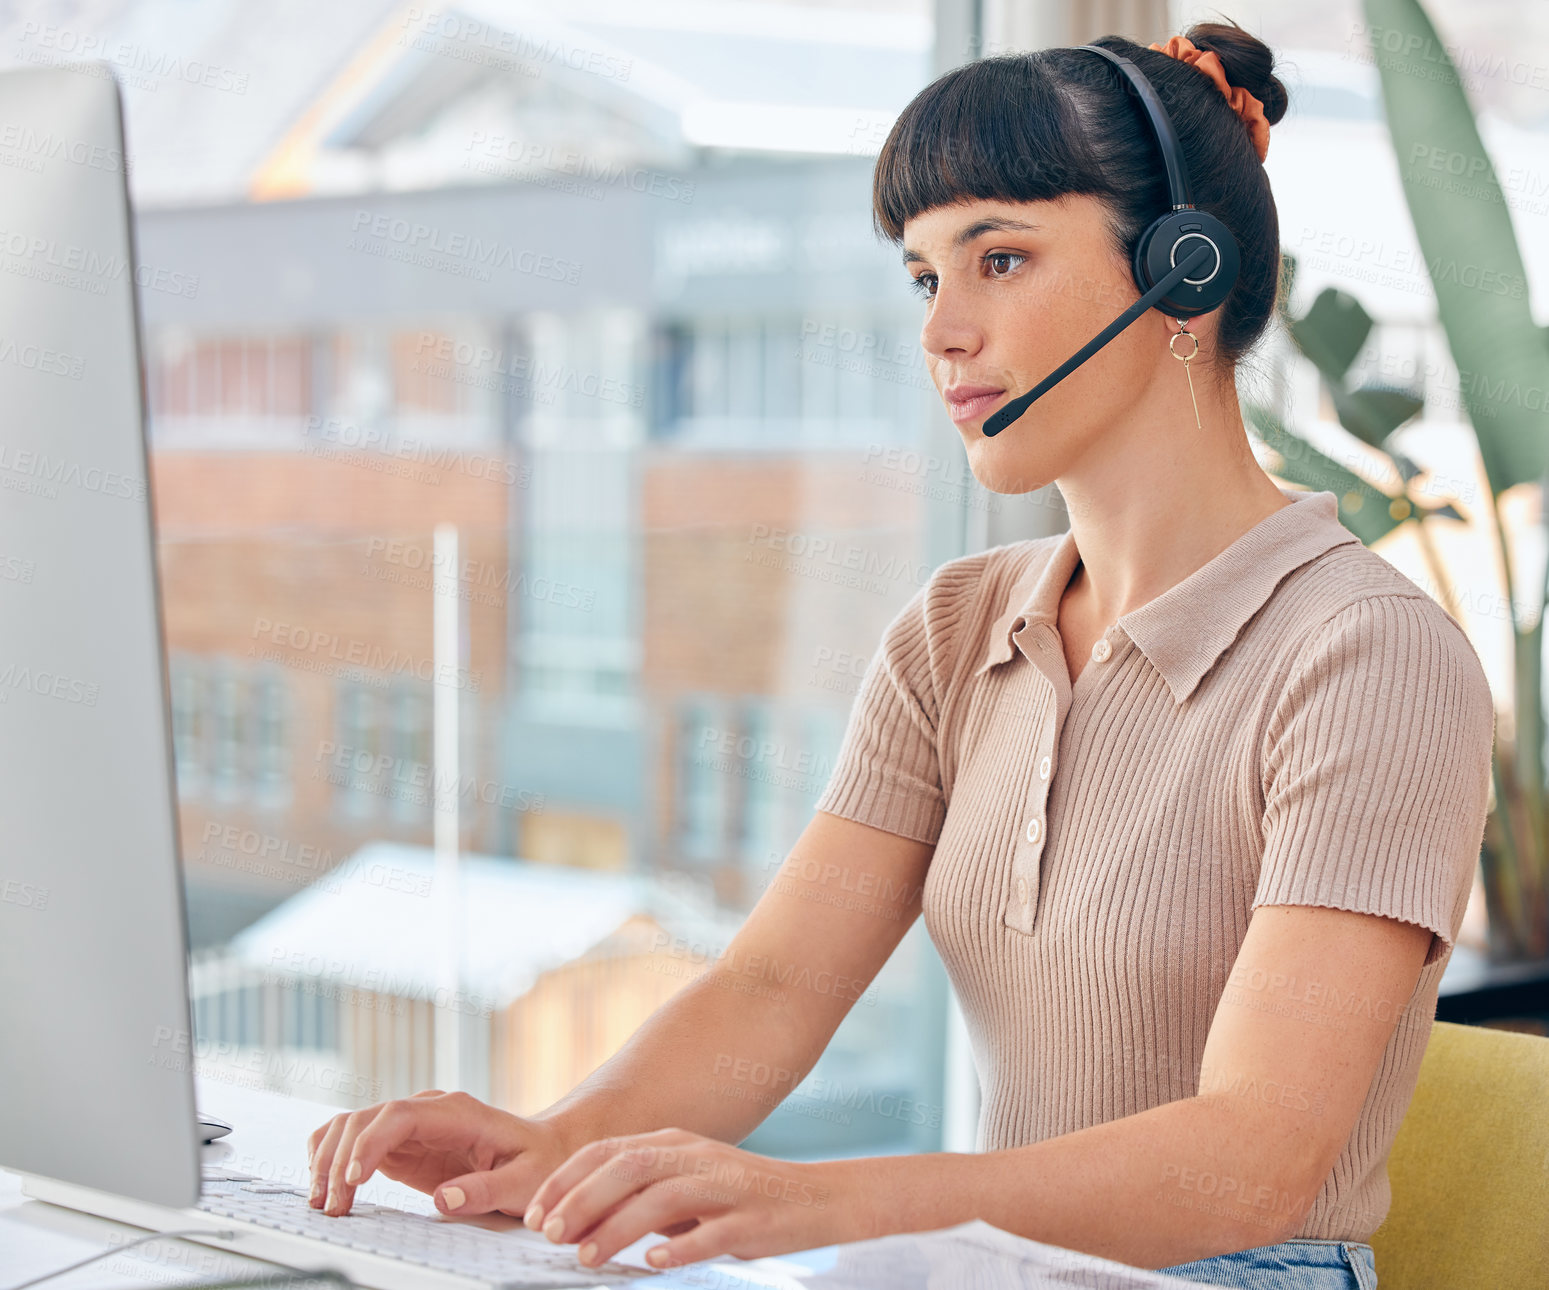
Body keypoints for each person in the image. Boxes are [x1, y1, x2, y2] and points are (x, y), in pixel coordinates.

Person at [304, 21, 1496, 1289]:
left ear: (1181, 274)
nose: (943, 332)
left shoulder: (1366, 657)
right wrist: (551, 1147)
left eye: (1000, 259)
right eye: (927, 279)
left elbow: (1252, 1162)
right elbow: (772, 987)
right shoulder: (957, 630)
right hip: (999, 1267)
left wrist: (824, 1207)